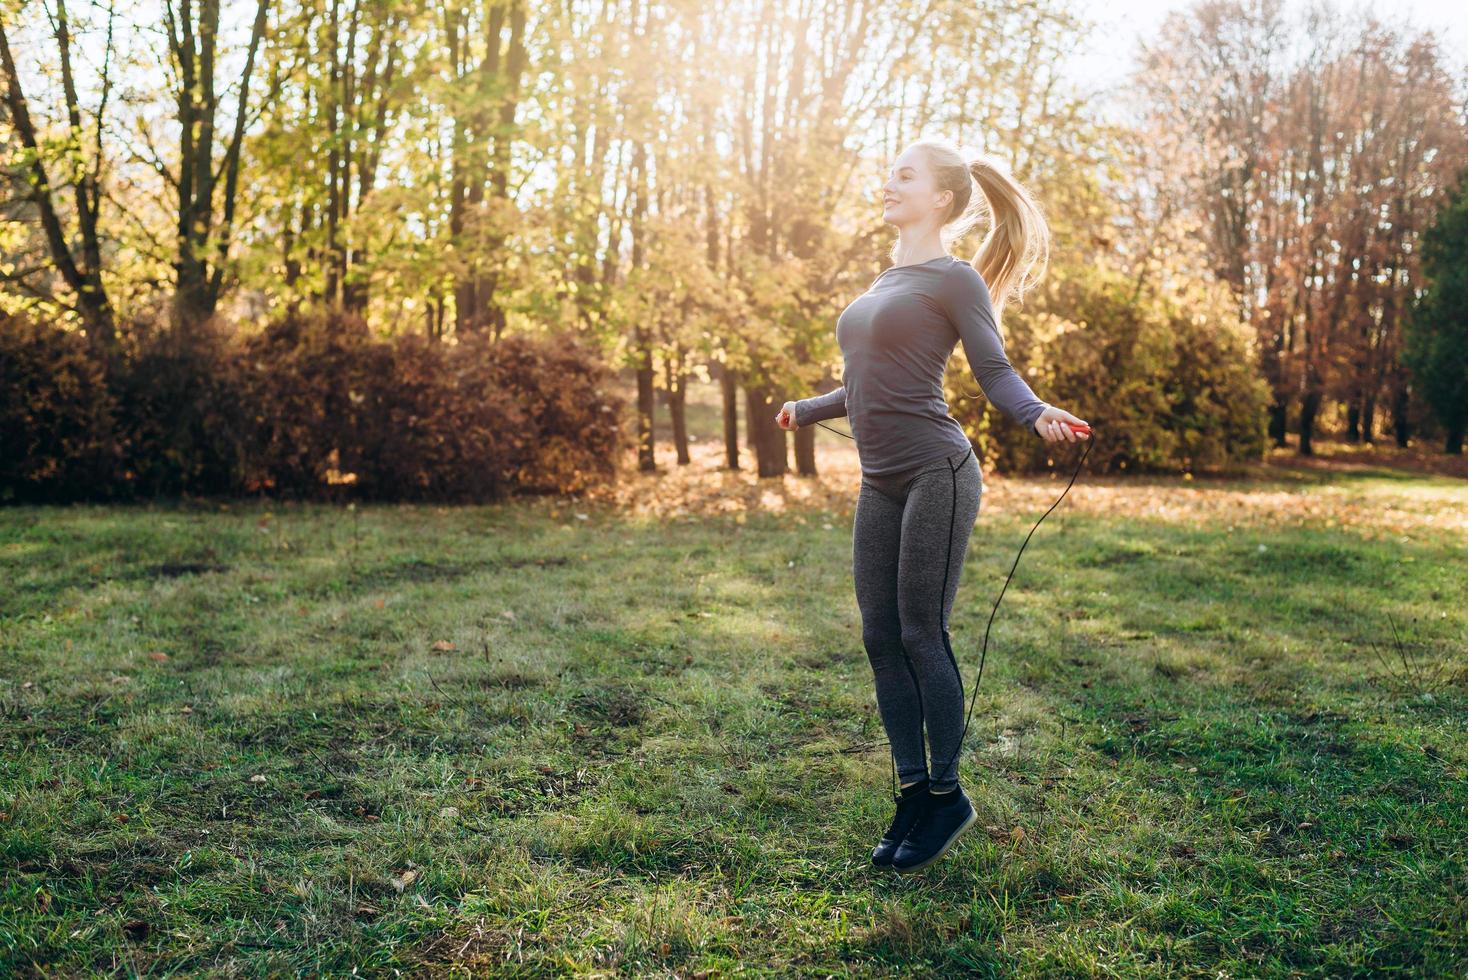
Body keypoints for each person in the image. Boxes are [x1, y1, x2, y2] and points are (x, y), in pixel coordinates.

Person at [776, 139, 1088, 874]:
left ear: (942, 200)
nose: (888, 184)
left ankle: (947, 794)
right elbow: (866, 381)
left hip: (937, 472)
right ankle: (912, 793)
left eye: (904, 176)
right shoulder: (888, 279)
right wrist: (809, 406)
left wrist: (1035, 412)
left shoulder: (955, 280)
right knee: (879, 636)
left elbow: (995, 368)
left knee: (922, 633)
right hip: (879, 478)